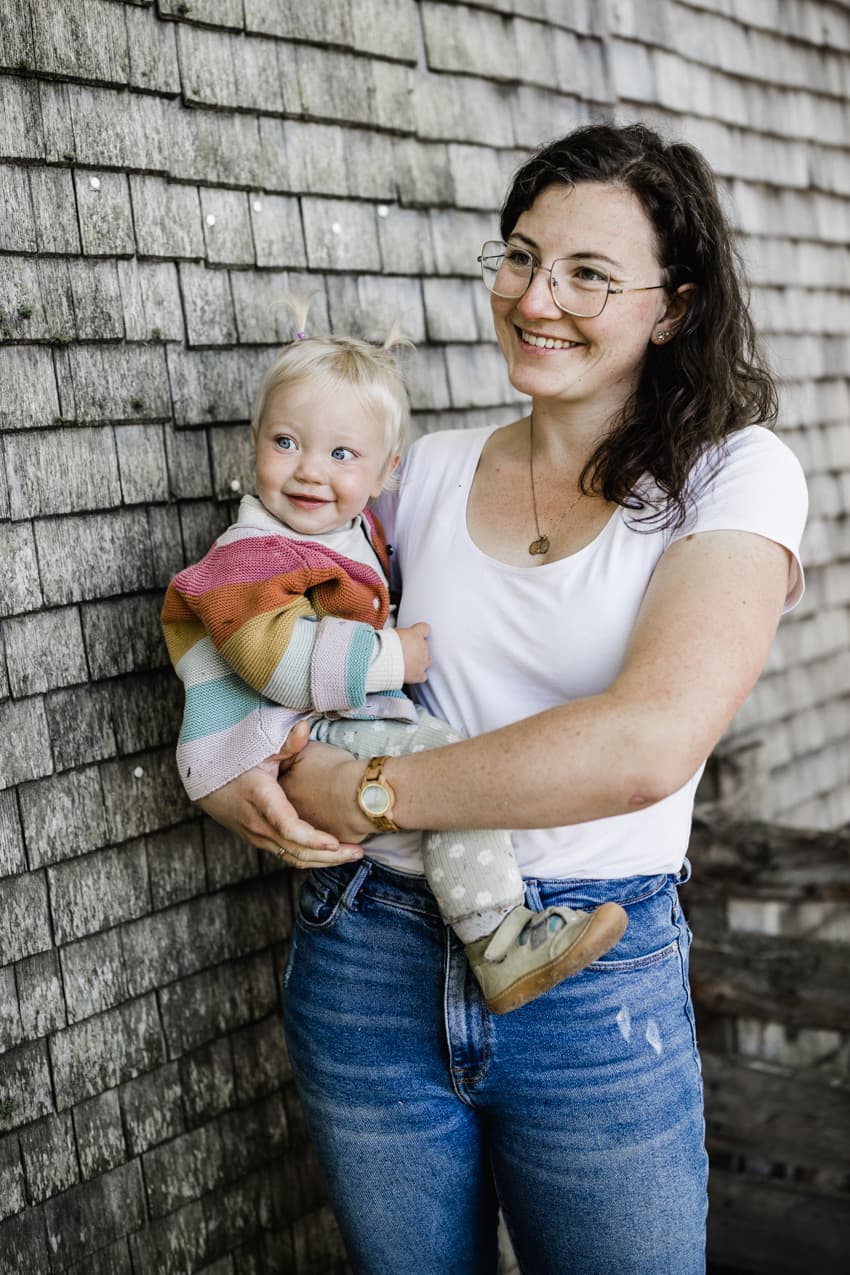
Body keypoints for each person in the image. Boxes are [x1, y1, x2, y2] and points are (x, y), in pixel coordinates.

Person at [192, 124, 808, 1274]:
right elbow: (259, 605)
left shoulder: (732, 475)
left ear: (671, 308)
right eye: (521, 257)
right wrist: (237, 766)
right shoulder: (414, 472)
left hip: (588, 975)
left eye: (588, 274)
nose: (537, 298)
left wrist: (368, 789)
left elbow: (647, 741)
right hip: (368, 953)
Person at [161, 320, 628, 1015]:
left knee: (432, 772)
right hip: (280, 735)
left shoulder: (352, 532)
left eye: (342, 453)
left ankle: (490, 926)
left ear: (386, 474)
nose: (311, 469)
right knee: (445, 765)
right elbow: (278, 659)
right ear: (255, 441)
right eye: (285, 442)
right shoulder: (251, 555)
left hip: (320, 731)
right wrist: (392, 656)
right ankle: (499, 935)